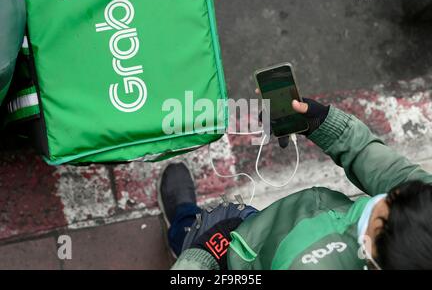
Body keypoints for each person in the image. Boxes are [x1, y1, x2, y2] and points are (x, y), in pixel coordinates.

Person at [158, 98, 432, 270]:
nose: (379, 199)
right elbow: (391, 170)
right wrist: (323, 123)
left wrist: (202, 258)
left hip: (233, 257)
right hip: (263, 228)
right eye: (391, 197)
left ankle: (181, 231)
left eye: (374, 218)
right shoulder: (420, 209)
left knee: (191, 234)